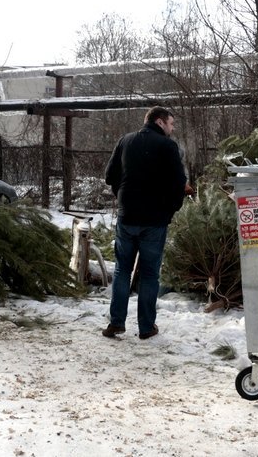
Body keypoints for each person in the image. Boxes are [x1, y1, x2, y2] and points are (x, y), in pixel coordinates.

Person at [102, 106, 187, 340]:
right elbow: (179, 182)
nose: (172, 128)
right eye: (171, 124)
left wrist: (123, 195)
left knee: (122, 271)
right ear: (160, 122)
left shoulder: (126, 141)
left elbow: (110, 176)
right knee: (150, 275)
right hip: (155, 221)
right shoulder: (167, 146)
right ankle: (146, 327)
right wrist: (172, 208)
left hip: (127, 216)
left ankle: (116, 322)